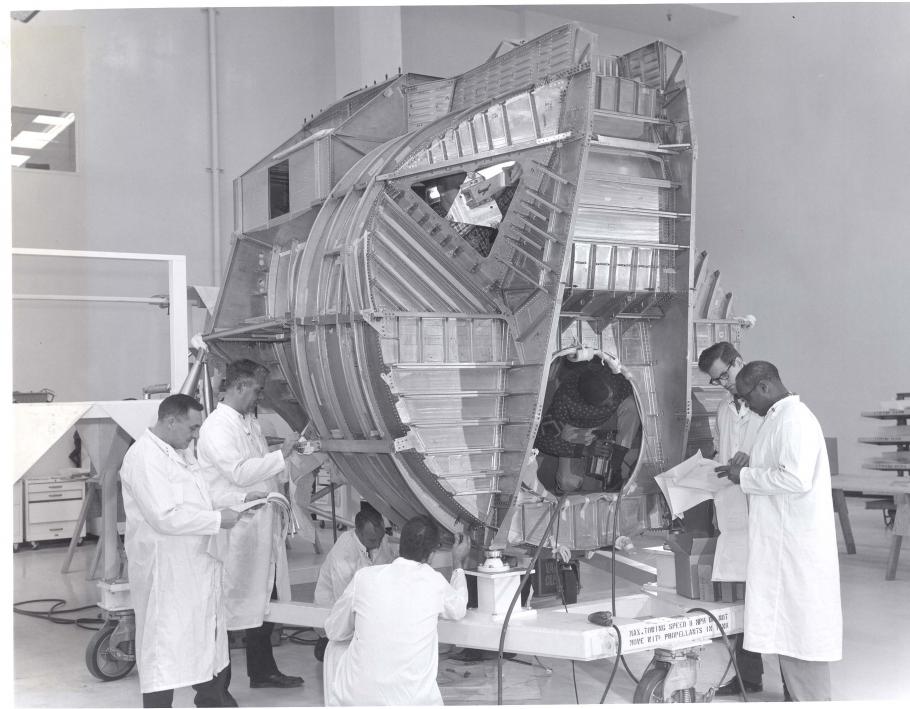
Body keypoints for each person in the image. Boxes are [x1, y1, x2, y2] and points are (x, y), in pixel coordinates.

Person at [120, 394, 257, 708]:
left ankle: (212, 700)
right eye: (193, 428)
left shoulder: (181, 451)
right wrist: (217, 519)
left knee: (205, 636)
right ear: (171, 421)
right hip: (166, 570)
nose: (196, 435)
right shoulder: (144, 457)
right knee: (163, 647)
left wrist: (240, 500)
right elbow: (163, 516)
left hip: (196, 564)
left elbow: (201, 496)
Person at [716, 361, 842, 701]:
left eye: (745, 397)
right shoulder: (775, 419)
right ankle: (796, 697)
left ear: (765, 387)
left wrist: (743, 477)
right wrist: (746, 467)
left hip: (797, 548)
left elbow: (795, 478)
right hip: (782, 542)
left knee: (800, 631)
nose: (744, 405)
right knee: (788, 631)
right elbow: (777, 469)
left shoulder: (794, 419)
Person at [196, 359, 304, 690]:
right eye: (257, 389)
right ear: (240, 386)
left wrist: (287, 457)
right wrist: (280, 455)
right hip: (235, 530)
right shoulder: (216, 427)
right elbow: (240, 473)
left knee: (262, 601)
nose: (259, 396)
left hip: (258, 528)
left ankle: (262, 672)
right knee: (225, 608)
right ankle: (214, 688)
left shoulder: (248, 422)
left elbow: (261, 466)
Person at [323, 515, 471, 706]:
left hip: (359, 700)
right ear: (432, 554)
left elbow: (333, 630)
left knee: (335, 647)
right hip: (412, 701)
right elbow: (458, 608)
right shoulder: (434, 581)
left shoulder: (364, 577)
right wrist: (457, 564)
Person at [697, 341, 764, 695]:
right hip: (735, 510)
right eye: (716, 380)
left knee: (770, 596)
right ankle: (747, 676)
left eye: (725, 375)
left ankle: (793, 685)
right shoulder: (725, 408)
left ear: (739, 361)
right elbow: (725, 455)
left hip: (764, 509)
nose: (723, 384)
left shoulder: (771, 406)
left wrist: (748, 465)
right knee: (742, 596)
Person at [534, 361, 636, 493]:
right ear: (585, 401)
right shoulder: (565, 399)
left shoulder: (616, 375)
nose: (611, 402)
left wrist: (616, 458)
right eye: (605, 403)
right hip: (578, 427)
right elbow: (543, 440)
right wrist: (583, 450)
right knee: (568, 483)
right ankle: (562, 489)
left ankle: (616, 463)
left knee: (633, 405)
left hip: (610, 418)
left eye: (612, 397)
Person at [312, 506, 395, 660]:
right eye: (372, 540)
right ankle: (325, 643)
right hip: (338, 611)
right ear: (358, 532)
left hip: (369, 606)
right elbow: (345, 603)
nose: (378, 544)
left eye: (380, 537)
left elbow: (390, 571)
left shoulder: (378, 538)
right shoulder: (343, 554)